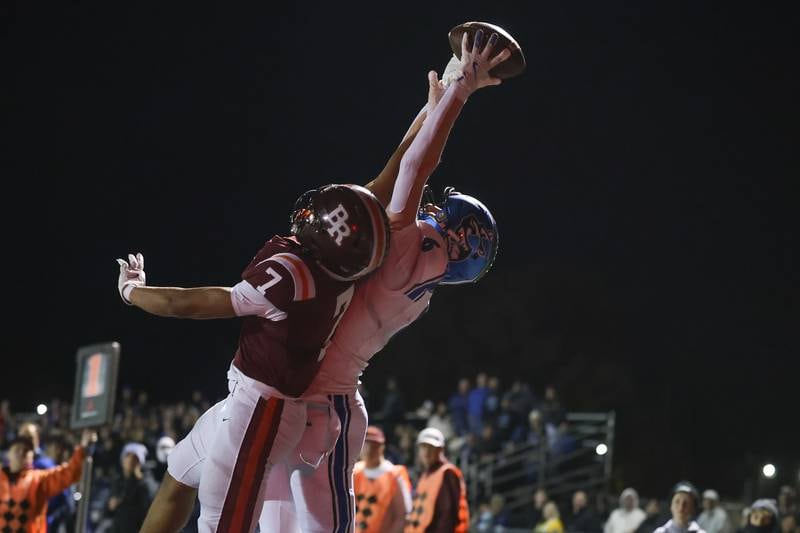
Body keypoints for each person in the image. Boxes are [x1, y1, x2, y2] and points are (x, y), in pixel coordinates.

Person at [122, 181, 390, 532]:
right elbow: (367, 204)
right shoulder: (346, 265)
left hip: (263, 412)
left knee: (222, 523)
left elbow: (184, 304)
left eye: (318, 219)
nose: (310, 217)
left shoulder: (292, 278)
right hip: (252, 401)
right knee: (180, 472)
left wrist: (131, 291)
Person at [0, 429, 95, 533]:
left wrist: (83, 448)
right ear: (8, 454)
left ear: (32, 456)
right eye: (17, 449)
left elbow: (69, 473)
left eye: (26, 451)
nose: (21, 453)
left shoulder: (39, 479)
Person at [406, 427, 469, 533]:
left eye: (431, 448)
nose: (426, 452)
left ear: (440, 450)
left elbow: (448, 515)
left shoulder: (447, 473)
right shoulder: (425, 476)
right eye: (423, 447)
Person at [350, 426, 412, 533]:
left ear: (381, 447)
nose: (369, 450)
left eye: (373, 445)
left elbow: (403, 515)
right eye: (365, 445)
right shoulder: (355, 472)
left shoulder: (394, 475)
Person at [106, 442, 156, 532]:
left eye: (135, 458)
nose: (130, 460)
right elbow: (107, 511)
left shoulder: (146, 483)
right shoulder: (117, 481)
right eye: (127, 456)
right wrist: (110, 506)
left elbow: (148, 511)